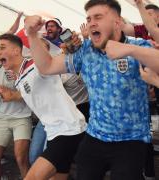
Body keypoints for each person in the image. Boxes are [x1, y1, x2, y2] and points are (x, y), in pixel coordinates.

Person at [24, 0, 154, 179]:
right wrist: (31, 35)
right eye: (89, 18)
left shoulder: (139, 46)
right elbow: (47, 67)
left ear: (117, 22)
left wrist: (130, 50)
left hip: (130, 140)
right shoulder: (85, 51)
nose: (91, 22)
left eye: (98, 17)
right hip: (94, 137)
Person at [0, 33, 86, 180]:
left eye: (2, 47)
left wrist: (70, 48)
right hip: (53, 131)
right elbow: (27, 93)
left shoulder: (37, 65)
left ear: (17, 51)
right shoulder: (19, 77)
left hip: (69, 130)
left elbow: (58, 61)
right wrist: (11, 95)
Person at [0, 37, 32, 180]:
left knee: (21, 158)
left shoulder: (11, 66)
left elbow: (29, 92)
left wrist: (10, 92)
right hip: (1, 117)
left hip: (22, 117)